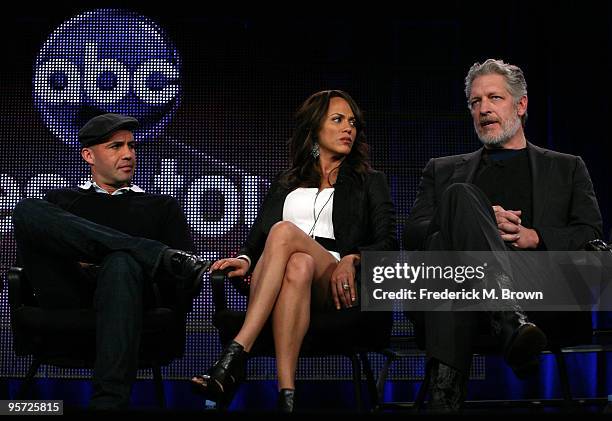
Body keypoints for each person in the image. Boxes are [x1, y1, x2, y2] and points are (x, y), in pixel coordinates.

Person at [403, 59, 603, 411]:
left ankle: (443, 398)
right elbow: (413, 234)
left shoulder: (567, 166)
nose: (483, 109)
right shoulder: (445, 170)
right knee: (457, 202)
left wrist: (534, 236)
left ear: (521, 105)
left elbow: (589, 232)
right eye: (475, 102)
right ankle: (506, 315)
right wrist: (470, 218)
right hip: (468, 295)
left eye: (494, 98)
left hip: (541, 295)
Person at [190, 90, 397, 412]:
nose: (348, 129)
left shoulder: (369, 181)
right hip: (290, 277)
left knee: (285, 232)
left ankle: (235, 353)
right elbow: (257, 239)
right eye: (338, 120)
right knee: (297, 263)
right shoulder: (287, 181)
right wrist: (244, 259)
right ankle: (287, 395)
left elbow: (388, 242)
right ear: (315, 129)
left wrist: (354, 259)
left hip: (336, 281)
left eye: (352, 123)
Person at [11, 113, 210, 410]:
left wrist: (116, 260)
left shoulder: (161, 207)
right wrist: (144, 254)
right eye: (116, 146)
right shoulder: (60, 202)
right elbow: (33, 264)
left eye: (132, 146)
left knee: (120, 263)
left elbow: (185, 277)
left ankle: (108, 404)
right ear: (88, 155)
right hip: (69, 293)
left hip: (129, 299)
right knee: (27, 208)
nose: (129, 154)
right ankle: (147, 251)